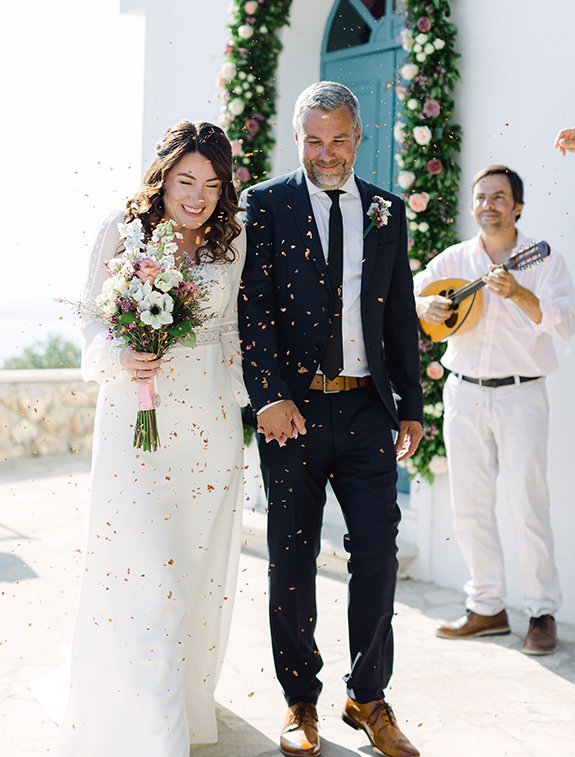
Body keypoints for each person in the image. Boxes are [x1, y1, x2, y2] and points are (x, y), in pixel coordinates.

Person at [51, 122, 248, 757]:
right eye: (186, 181)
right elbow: (91, 326)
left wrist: (250, 404)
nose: (198, 197)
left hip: (210, 429)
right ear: (161, 177)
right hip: (135, 427)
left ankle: (178, 710)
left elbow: (234, 331)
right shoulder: (122, 229)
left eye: (212, 185)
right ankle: (155, 741)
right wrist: (121, 355)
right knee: (148, 582)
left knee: (191, 580)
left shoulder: (233, 239)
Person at [239, 82, 423, 757]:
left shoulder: (386, 211)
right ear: (297, 137)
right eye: (313, 140)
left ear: (358, 137)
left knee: (377, 551)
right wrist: (268, 395)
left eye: (339, 140)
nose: (326, 153)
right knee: (291, 557)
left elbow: (398, 312)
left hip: (368, 407)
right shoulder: (265, 204)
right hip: (292, 411)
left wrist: (410, 405)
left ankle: (368, 697)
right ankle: (300, 700)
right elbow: (252, 307)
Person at [414, 165, 575, 655]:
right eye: (482, 196)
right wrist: (425, 307)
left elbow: (566, 325)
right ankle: (486, 607)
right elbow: (413, 292)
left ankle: (541, 612)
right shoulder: (456, 258)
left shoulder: (543, 259)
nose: (489, 204)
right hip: (463, 392)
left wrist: (519, 293)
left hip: (521, 395)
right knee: (470, 504)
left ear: (517, 207)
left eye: (500, 197)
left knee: (528, 503)